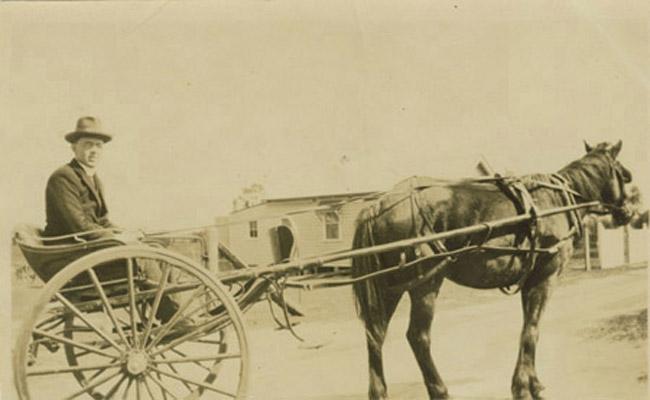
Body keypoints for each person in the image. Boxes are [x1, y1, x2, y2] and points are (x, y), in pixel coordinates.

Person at [44, 116, 116, 240]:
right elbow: (79, 226)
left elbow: (102, 221)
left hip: (86, 243)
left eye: (98, 145)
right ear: (74, 147)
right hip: (67, 248)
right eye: (88, 144)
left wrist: (122, 233)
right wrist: (115, 238)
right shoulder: (63, 177)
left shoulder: (96, 180)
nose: (94, 150)